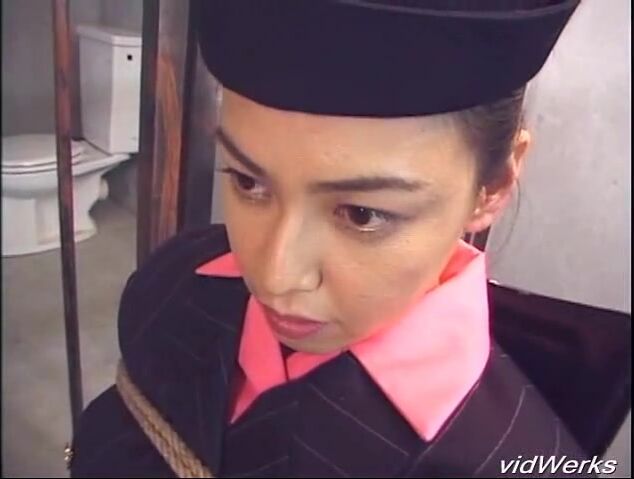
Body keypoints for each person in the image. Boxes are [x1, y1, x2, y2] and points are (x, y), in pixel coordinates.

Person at [69, 1, 627, 477]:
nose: (275, 276)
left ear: (494, 186)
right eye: (248, 182)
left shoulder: (507, 458)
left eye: (362, 214)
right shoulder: (175, 280)